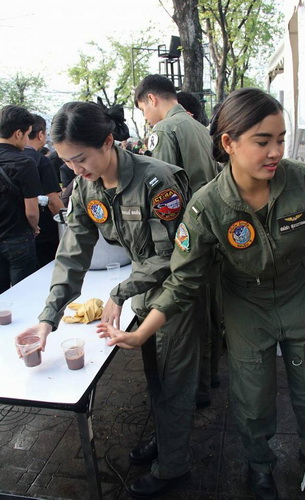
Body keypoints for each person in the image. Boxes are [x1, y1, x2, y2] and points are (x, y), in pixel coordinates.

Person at [99, 87, 305, 499]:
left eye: (280, 138)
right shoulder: (206, 208)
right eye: (263, 141)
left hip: (299, 295)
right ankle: (259, 466)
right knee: (253, 391)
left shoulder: (300, 179)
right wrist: (141, 333)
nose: (276, 151)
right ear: (229, 142)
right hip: (246, 304)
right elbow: (183, 281)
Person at [15, 101, 200, 499]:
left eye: (81, 159)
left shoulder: (158, 181)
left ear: (108, 141)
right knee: (156, 378)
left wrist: (120, 291)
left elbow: (173, 256)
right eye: (67, 163)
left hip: (177, 294)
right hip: (142, 290)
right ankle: (167, 438)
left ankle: (173, 466)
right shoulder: (86, 187)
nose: (75, 171)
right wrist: (48, 318)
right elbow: (71, 254)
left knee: (173, 383)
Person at [135, 74, 222, 407]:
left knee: (188, 316)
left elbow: (166, 198)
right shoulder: (199, 127)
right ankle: (211, 376)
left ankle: (195, 391)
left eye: (143, 108)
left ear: (152, 99)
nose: (145, 115)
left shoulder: (165, 131)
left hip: (188, 239)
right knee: (211, 309)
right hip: (211, 231)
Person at [0, 105, 42, 293]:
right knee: (23, 293)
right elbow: (31, 211)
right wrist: (34, 228)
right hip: (18, 238)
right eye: (27, 134)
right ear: (18, 133)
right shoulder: (24, 162)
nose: (27, 141)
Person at [24, 114, 64, 267]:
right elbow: (53, 201)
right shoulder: (41, 160)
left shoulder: (8, 158)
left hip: (15, 232)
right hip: (44, 231)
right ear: (40, 134)